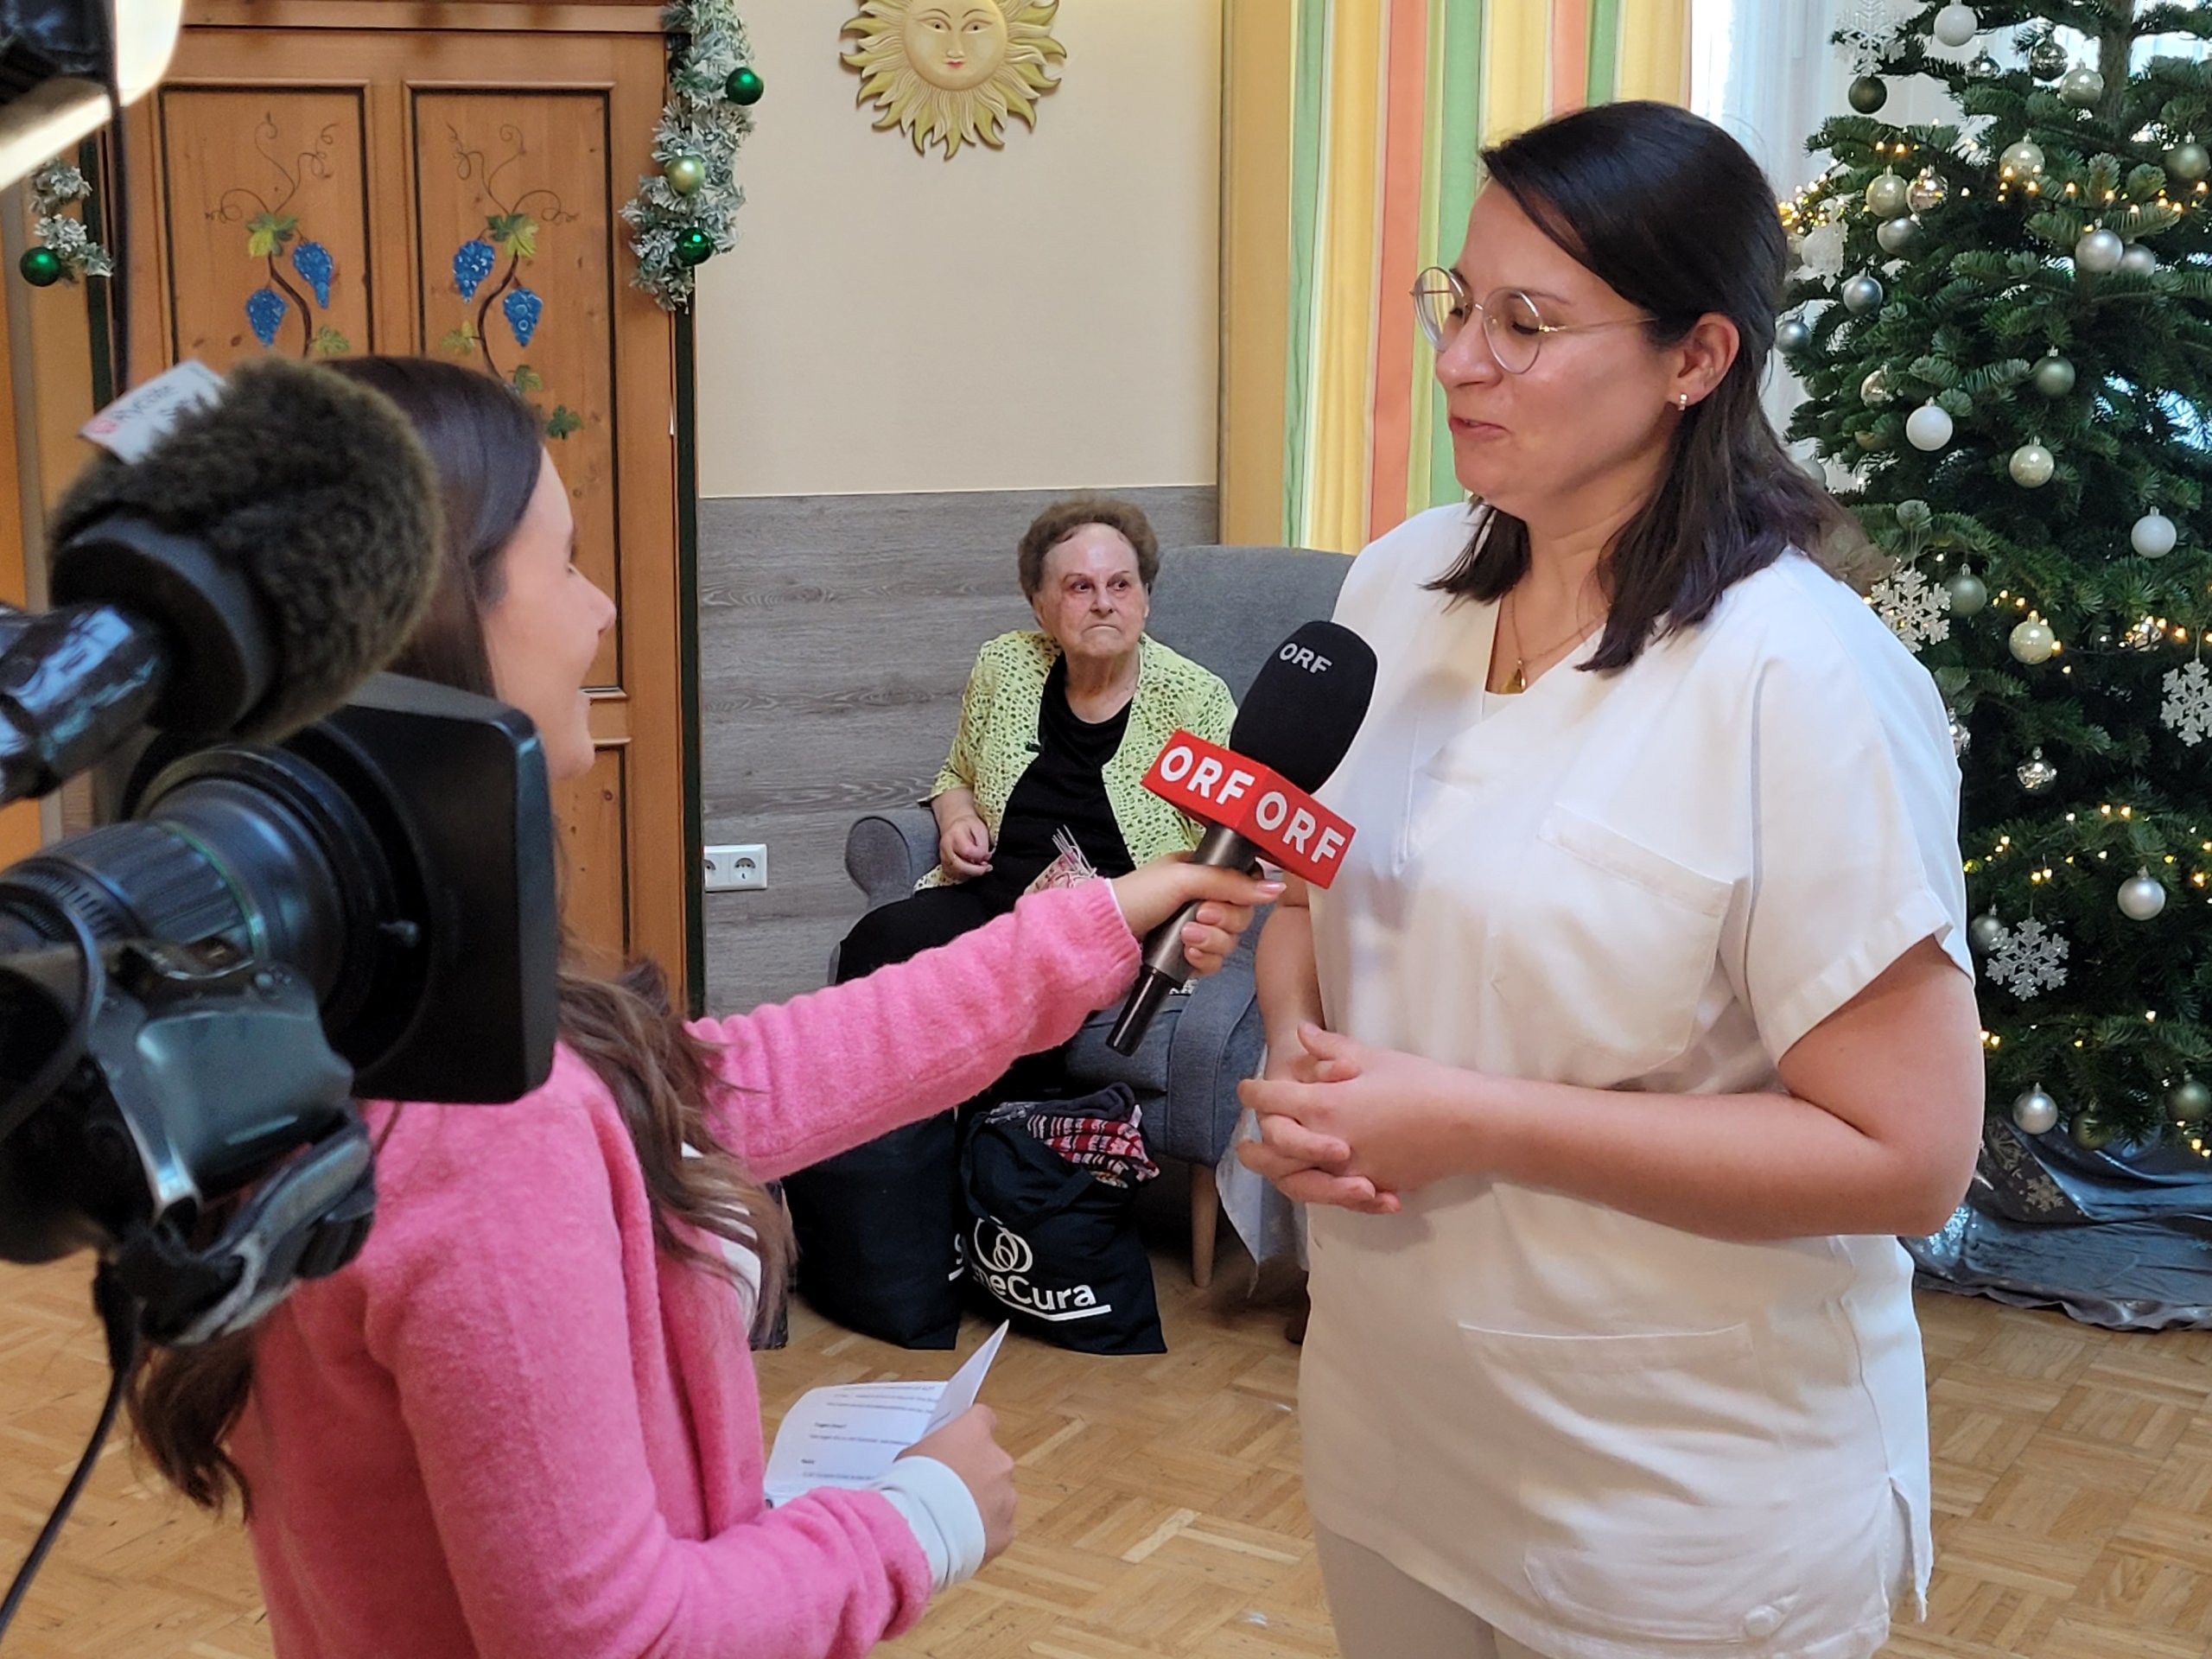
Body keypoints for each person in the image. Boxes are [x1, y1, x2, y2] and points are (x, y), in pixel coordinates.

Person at [124, 357, 1280, 1659]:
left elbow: (739, 1081)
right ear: (436, 638)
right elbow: (617, 1639)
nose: (601, 608)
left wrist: (1100, 922)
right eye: (563, 566)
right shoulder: (479, 1129)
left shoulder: (365, 1020)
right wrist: (919, 1521)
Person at [1236, 102, 1984, 1659]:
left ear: (1695, 357)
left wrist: (1473, 1120)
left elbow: (1907, 1156)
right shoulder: (1400, 582)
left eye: (1526, 325)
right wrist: (1298, 1042)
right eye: (1458, 304)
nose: (1460, 361)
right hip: (1394, 1432)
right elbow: (1310, 875)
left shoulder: (1804, 682)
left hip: (1678, 1508)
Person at [833, 494, 1236, 984]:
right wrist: (958, 819)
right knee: (877, 940)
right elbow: (956, 775)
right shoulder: (1007, 666)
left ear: (1145, 599)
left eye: (1121, 584)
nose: (1104, 603)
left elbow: (1226, 842)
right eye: (1080, 587)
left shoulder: (1194, 698)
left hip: (1112, 924)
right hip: (992, 904)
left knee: (1018, 979)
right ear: (1039, 606)